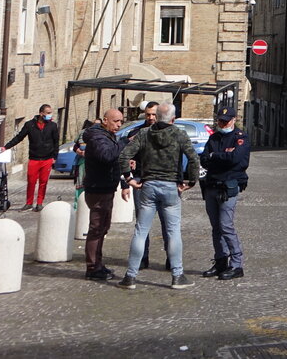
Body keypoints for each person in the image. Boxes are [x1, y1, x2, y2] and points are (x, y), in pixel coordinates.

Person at [117, 103, 199, 290]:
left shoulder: (144, 134)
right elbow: (193, 158)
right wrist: (191, 182)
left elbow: (124, 156)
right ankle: (177, 275)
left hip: (148, 185)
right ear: (172, 119)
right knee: (173, 232)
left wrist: (129, 179)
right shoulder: (179, 134)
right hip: (171, 186)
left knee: (140, 231)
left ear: (157, 117)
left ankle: (130, 276)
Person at [199, 106, 251, 280]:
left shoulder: (240, 138)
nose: (223, 123)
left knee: (226, 226)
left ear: (234, 120)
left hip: (228, 187)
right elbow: (204, 160)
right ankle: (221, 260)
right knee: (216, 228)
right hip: (212, 185)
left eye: (226, 120)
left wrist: (216, 156)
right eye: (220, 120)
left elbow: (236, 160)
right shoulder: (214, 138)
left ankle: (237, 264)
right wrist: (221, 156)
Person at [80, 108, 130, 280]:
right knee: (97, 228)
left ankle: (98, 265)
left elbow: (114, 161)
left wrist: (123, 181)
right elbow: (108, 156)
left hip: (106, 187)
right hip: (98, 189)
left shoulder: (107, 136)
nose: (118, 125)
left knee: (102, 228)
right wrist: (124, 142)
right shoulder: (97, 137)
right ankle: (92, 268)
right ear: (105, 120)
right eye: (116, 121)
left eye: (121, 122)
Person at [126, 102, 169, 270]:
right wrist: (127, 180)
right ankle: (142, 258)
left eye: (154, 114)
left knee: (168, 223)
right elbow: (126, 156)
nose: (151, 117)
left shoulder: (169, 133)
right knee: (142, 224)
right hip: (142, 182)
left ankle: (171, 258)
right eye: (148, 114)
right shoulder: (135, 133)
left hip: (165, 182)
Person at [4, 103, 60, 210]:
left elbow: (56, 142)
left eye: (50, 113)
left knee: (43, 182)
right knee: (31, 181)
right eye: (48, 113)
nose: (50, 115)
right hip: (34, 158)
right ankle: (29, 202)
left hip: (47, 158)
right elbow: (19, 137)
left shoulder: (52, 126)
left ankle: (39, 203)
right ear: (41, 113)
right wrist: (6, 147)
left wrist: (55, 157)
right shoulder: (30, 125)